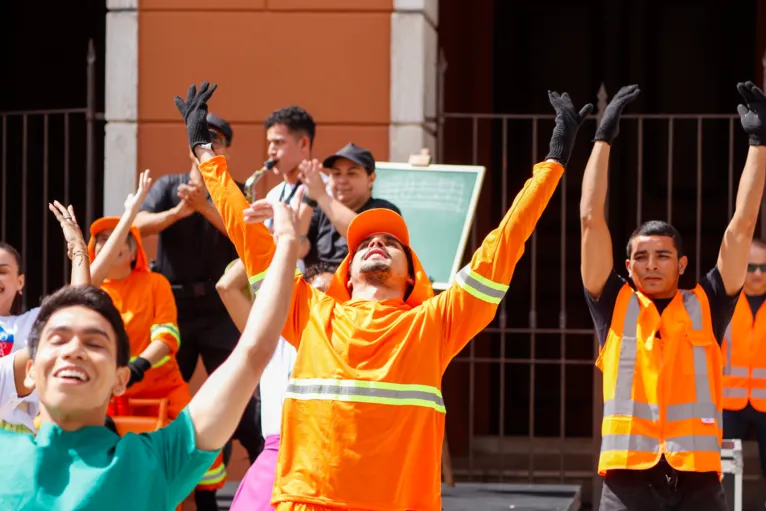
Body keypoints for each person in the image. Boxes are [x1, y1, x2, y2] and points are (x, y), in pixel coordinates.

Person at [179, 80, 592, 510]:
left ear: (412, 275)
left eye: (390, 243)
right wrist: (204, 152)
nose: (376, 244)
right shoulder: (309, 312)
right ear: (348, 271)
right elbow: (249, 237)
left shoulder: (435, 323)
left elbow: (505, 243)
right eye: (363, 244)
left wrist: (554, 162)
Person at [0, 191, 302, 511]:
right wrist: (78, 253)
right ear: (29, 369)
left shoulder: (156, 461)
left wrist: (286, 245)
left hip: (163, 388)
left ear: (120, 377)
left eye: (95, 342)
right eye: (58, 339)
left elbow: (253, 352)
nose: (74, 349)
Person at [580, 82, 766, 511]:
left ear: (682, 265)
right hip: (627, 480)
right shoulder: (614, 304)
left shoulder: (709, 301)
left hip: (697, 480)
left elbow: (742, 225)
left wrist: (758, 144)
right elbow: (591, 220)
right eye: (640, 257)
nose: (651, 264)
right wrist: (602, 139)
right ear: (626, 267)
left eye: (662, 255)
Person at [133, 112, 262, 508]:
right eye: (203, 141)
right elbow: (136, 224)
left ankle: (261, 482)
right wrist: (177, 213)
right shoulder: (169, 186)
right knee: (158, 396)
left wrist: (204, 207)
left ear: (225, 149)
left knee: (237, 397)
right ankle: (156, 487)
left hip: (221, 308)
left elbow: (249, 237)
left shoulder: (235, 190)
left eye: (217, 141)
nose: (210, 147)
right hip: (176, 308)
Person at [86, 170, 227, 496]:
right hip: (107, 395)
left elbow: (167, 336)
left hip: (161, 387)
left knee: (198, 440)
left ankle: (205, 503)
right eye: (104, 239)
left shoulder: (156, 283)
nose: (114, 243)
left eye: (122, 238)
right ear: (95, 251)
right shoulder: (91, 290)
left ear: (136, 251)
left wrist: (136, 368)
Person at [220, 261, 337, 511]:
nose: (325, 301)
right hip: (275, 468)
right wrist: (282, 242)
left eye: (335, 295)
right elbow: (227, 286)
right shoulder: (274, 339)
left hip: (332, 470)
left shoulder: (356, 348)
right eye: (318, 292)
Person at [0, 201, 91, 434]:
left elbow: (75, 309)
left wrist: (79, 250)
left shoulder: (31, 322)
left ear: (20, 281)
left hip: (17, 437)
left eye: (2, 271)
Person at [298, 143, 401, 268]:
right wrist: (309, 199)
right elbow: (298, 249)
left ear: (371, 179)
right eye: (336, 174)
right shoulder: (320, 211)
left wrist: (321, 195)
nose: (342, 181)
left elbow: (363, 238)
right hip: (315, 284)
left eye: (352, 174)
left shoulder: (384, 210)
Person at [721, 238, 766, 496]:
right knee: (723, 467)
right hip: (728, 401)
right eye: (751, 267)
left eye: (764, 268)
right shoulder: (723, 304)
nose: (758, 274)